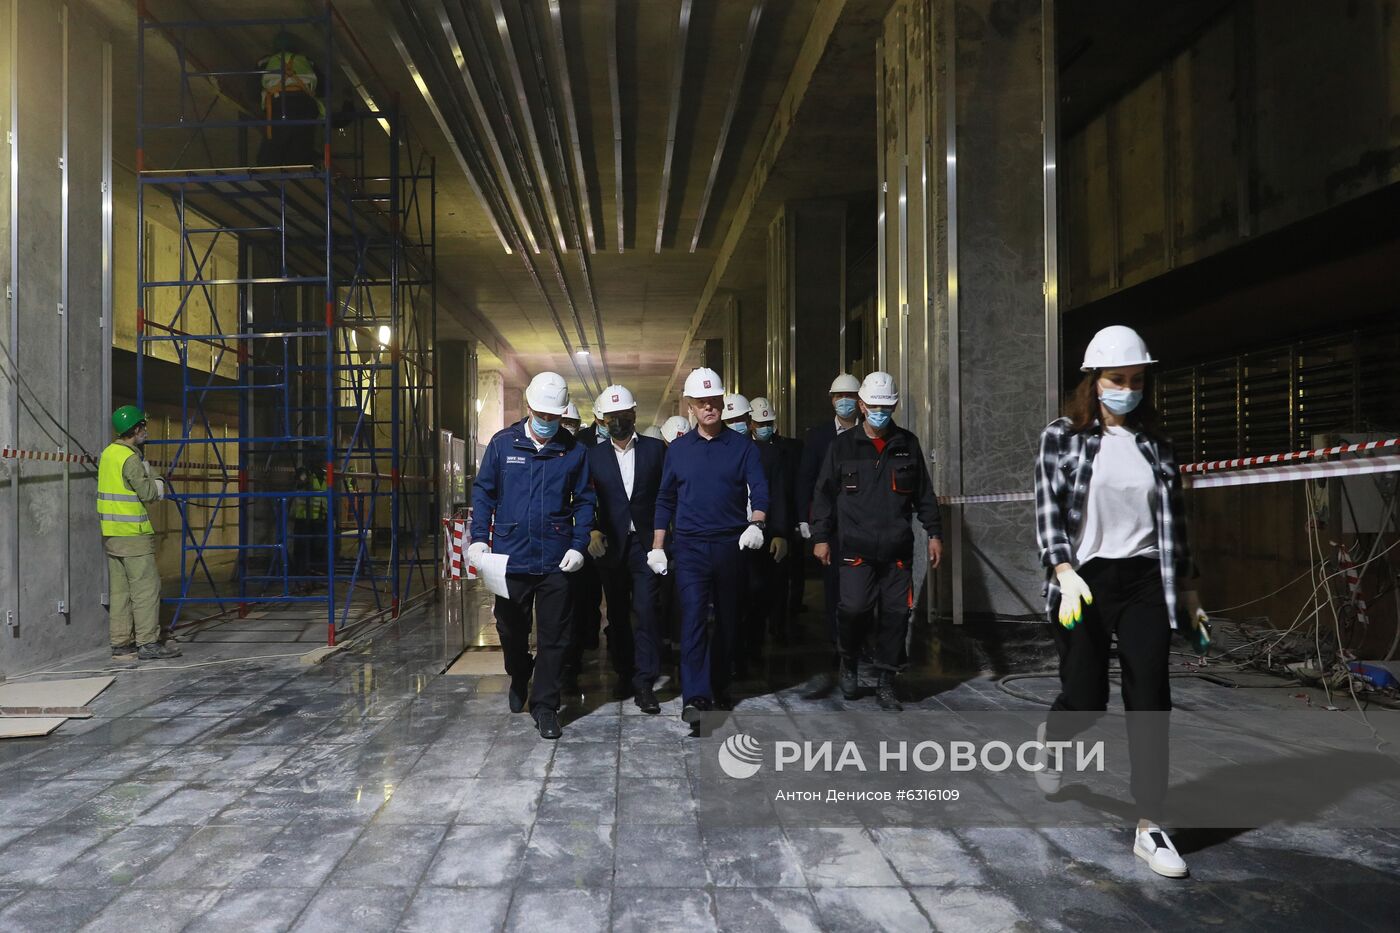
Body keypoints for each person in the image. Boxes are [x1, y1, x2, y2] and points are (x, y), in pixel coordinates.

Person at [1033, 324, 1204, 878]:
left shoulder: (1157, 445)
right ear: (1094, 381)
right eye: (1116, 379)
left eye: (1136, 379)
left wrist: (1192, 591)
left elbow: (1175, 524)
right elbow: (1049, 510)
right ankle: (1053, 740)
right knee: (1085, 696)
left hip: (1146, 581)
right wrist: (1063, 568)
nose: (1127, 388)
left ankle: (1150, 826)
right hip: (1083, 581)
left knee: (1150, 694)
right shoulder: (1061, 437)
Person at [469, 372, 594, 740]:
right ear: (528, 407)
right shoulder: (503, 445)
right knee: (510, 630)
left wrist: (578, 544)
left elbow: (586, 501)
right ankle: (520, 672)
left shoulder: (573, 451)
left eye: (554, 416)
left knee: (556, 635)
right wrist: (479, 538)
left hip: (557, 558)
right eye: (541, 413)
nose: (547, 421)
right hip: (510, 557)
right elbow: (484, 493)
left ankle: (545, 707)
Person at [810, 372, 941, 711]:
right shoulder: (842, 446)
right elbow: (823, 496)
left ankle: (886, 678)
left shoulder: (907, 444)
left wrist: (934, 532)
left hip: (897, 548)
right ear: (862, 406)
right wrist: (821, 537)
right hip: (855, 546)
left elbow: (924, 494)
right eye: (874, 406)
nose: (880, 411)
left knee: (896, 614)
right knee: (853, 609)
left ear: (894, 405)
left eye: (886, 406)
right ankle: (849, 661)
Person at [651, 368, 770, 730]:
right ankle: (696, 696)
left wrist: (758, 523)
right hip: (689, 547)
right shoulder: (679, 451)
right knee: (693, 619)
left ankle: (719, 683)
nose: (708, 407)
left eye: (713, 401)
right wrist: (658, 545)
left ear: (722, 402)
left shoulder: (742, 447)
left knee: (729, 621)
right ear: (690, 406)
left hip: (730, 544)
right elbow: (665, 498)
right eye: (701, 402)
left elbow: (760, 490)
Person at [587, 385, 666, 713]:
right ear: (603, 421)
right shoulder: (593, 456)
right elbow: (584, 497)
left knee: (646, 611)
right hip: (610, 545)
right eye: (611, 417)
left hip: (646, 545)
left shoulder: (655, 450)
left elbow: (666, 494)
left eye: (622, 416)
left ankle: (645, 681)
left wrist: (663, 540)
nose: (617, 422)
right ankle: (623, 671)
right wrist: (591, 529)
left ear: (633, 415)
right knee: (617, 613)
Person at [100, 406, 181, 662]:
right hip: (134, 536)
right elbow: (149, 493)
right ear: (136, 429)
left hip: (112, 535)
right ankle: (147, 643)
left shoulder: (108, 454)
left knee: (120, 592)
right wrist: (155, 477)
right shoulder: (130, 458)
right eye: (143, 427)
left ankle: (121, 645)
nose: (146, 430)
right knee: (146, 589)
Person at [721, 394, 789, 675]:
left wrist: (780, 532)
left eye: (740, 420)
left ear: (749, 422)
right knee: (730, 597)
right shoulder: (715, 452)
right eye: (731, 420)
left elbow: (779, 494)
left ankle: (754, 647)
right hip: (726, 535)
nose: (737, 424)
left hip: (760, 533)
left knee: (758, 592)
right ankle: (733, 653)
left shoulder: (768, 454)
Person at [797, 374, 863, 657]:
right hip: (831, 522)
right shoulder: (818, 436)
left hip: (864, 521)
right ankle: (838, 638)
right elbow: (806, 479)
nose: (844, 401)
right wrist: (804, 518)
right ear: (831, 399)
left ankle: (863, 637)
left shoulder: (871, 432)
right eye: (839, 396)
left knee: (864, 581)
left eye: (850, 396)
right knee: (834, 581)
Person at [750, 397, 805, 624]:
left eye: (768, 423)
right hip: (753, 523)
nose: (764, 428)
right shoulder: (741, 448)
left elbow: (794, 486)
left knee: (782, 576)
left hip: (781, 520)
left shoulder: (790, 449)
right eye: (759, 423)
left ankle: (781, 621)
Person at [256, 31, 323, 167]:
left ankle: (272, 177)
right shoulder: (307, 61)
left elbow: (252, 92)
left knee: (270, 156)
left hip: (277, 107)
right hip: (305, 107)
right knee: (301, 152)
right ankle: (301, 173)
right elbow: (324, 88)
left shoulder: (265, 62)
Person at [290, 464, 327, 589]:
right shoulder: (305, 473)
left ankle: (315, 579)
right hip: (303, 520)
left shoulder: (325, 476)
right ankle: (301, 579)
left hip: (319, 520)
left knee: (317, 550)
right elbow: (298, 485)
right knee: (302, 550)